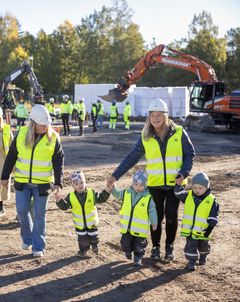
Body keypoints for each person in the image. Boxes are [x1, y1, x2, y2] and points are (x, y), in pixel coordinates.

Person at [107, 99, 195, 261]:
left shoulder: (179, 132)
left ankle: (169, 247)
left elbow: (190, 154)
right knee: (156, 216)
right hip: (154, 184)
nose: (155, 118)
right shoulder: (145, 135)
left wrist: (184, 172)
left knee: (171, 216)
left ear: (166, 116)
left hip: (175, 184)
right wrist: (115, 175)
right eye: (152, 115)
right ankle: (155, 248)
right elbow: (132, 156)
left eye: (159, 115)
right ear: (149, 117)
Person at [1, 104, 64, 257]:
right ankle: (27, 239)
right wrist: (4, 176)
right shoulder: (21, 134)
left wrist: (58, 183)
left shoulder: (53, 138)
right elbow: (11, 157)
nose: (45, 126)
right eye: (43, 124)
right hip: (22, 183)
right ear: (34, 123)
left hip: (43, 185)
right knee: (22, 211)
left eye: (47, 124)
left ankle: (38, 246)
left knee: (39, 215)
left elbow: (58, 161)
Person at [108, 169, 157, 266]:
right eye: (136, 184)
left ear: (145, 185)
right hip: (127, 228)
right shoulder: (127, 193)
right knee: (125, 243)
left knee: (139, 246)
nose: (138, 187)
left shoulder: (148, 198)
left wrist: (154, 222)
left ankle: (138, 258)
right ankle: (127, 251)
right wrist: (113, 189)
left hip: (140, 229)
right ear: (132, 183)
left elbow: (152, 210)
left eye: (141, 185)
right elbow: (117, 195)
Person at [56, 170, 110, 257]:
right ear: (72, 185)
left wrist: (106, 191)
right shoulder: (71, 196)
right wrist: (59, 201)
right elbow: (64, 206)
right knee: (82, 241)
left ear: (85, 182)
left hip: (91, 223)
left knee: (94, 238)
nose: (80, 185)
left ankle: (95, 245)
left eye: (82, 182)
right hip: (80, 225)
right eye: (76, 184)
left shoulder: (91, 193)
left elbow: (101, 198)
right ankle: (83, 250)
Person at [174, 172, 219, 271]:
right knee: (190, 247)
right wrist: (178, 185)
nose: (197, 190)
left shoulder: (212, 200)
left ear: (206, 188)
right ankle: (191, 262)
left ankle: (203, 257)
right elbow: (178, 194)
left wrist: (209, 229)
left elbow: (214, 216)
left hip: (204, 230)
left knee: (204, 247)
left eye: (200, 188)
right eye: (194, 187)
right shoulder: (189, 196)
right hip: (190, 230)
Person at [0, 107, 13, 216]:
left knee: (2, 184)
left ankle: (1, 206)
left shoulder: (6, 131)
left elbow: (13, 147)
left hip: (3, 162)